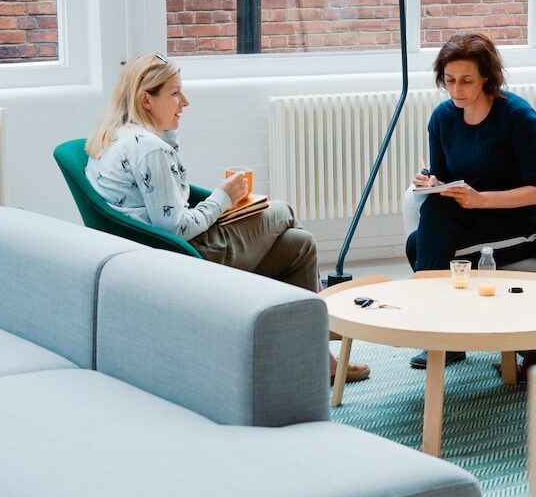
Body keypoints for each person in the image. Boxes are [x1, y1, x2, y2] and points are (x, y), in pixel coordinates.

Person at [85, 53, 369, 383]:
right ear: (145, 99)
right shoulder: (150, 149)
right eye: (175, 93)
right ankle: (322, 325)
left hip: (158, 253)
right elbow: (175, 226)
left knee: (300, 245)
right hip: (186, 256)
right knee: (283, 210)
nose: (185, 101)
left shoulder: (119, 137)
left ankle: (317, 356)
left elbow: (167, 205)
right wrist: (223, 197)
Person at [405, 32, 536, 372]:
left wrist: (479, 199)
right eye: (450, 81)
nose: (456, 90)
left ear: (487, 76)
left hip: (520, 221)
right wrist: (431, 182)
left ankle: (439, 332)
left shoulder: (517, 116)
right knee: (421, 235)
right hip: (472, 218)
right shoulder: (443, 117)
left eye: (466, 80)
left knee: (420, 246)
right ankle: (445, 334)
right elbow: (445, 179)